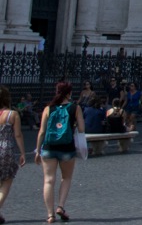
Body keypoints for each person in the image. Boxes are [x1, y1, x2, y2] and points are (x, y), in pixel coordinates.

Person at [35, 81, 83, 224]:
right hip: (67, 147)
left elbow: (42, 131)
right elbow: (81, 128)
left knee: (48, 180)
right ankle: (60, 207)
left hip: (49, 147)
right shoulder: (75, 107)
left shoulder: (48, 108)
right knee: (66, 178)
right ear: (69, 93)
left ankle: (50, 215)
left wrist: (38, 150)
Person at [0, 86, 28, 223]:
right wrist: (23, 153)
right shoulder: (12, 114)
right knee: (6, 181)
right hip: (6, 150)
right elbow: (17, 134)